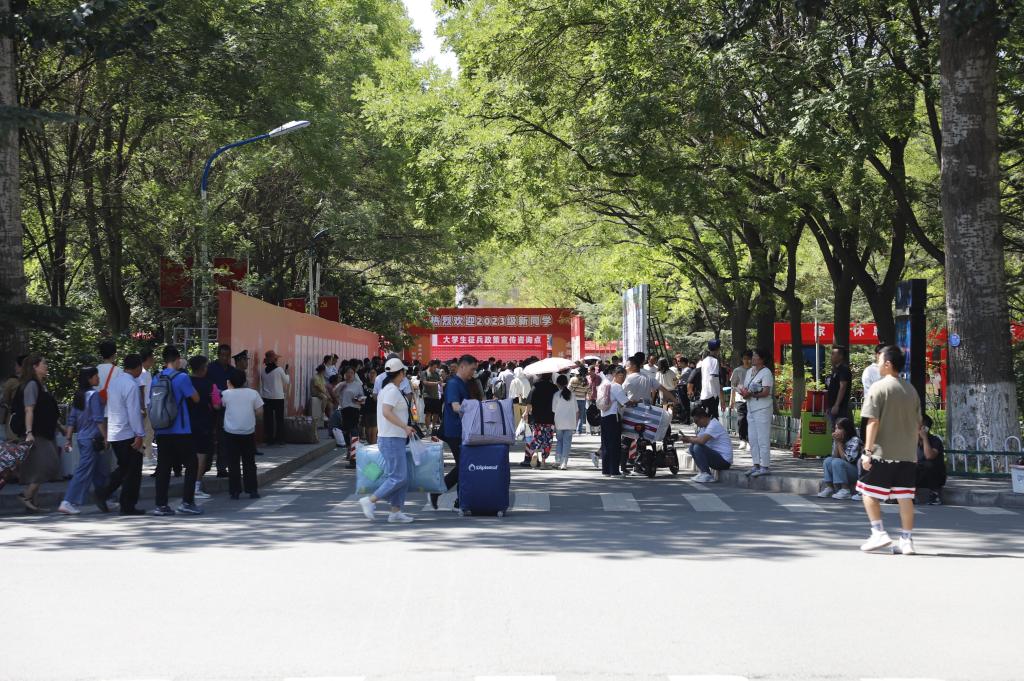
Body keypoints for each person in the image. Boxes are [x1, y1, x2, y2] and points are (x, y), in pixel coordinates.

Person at [856, 345, 922, 554]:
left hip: (882, 453)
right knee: (905, 496)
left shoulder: (878, 388)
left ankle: (878, 532)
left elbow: (872, 421)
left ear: (887, 364)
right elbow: (918, 424)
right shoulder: (911, 390)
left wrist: (867, 452)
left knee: (867, 491)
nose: (877, 364)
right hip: (907, 454)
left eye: (879, 360)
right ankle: (907, 540)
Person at [358, 358, 416, 523]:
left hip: (393, 438)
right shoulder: (392, 391)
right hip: (391, 439)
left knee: (401, 478)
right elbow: (386, 412)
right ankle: (370, 500)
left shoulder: (388, 389)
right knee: (398, 477)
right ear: (401, 373)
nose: (405, 375)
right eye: (404, 372)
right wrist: (405, 427)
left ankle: (396, 512)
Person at [151, 345, 202, 516]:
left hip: (161, 430)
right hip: (180, 429)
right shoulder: (182, 377)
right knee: (192, 464)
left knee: (163, 468)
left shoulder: (156, 378)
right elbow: (195, 398)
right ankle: (187, 502)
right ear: (177, 359)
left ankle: (161, 505)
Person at [96, 354, 146, 515]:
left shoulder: (115, 383)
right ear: (138, 367)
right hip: (127, 432)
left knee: (125, 467)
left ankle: (103, 493)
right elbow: (133, 412)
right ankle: (127, 505)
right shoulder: (131, 385)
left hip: (115, 431)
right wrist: (139, 434)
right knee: (133, 471)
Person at [12, 355, 62, 512]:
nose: (46, 366)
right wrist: (29, 432)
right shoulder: (31, 385)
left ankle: (33, 503)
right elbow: (29, 409)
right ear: (35, 366)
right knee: (49, 464)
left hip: (45, 431)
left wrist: (60, 427)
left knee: (36, 467)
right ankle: (26, 495)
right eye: (43, 363)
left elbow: (47, 409)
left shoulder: (41, 385)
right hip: (36, 432)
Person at [429, 354, 478, 509]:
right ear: (463, 366)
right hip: (454, 431)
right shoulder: (453, 384)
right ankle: (440, 492)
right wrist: (475, 409)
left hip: (462, 430)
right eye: (472, 369)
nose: (473, 372)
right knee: (464, 465)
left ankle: (458, 498)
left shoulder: (464, 383)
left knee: (464, 465)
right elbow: (456, 406)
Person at [58, 367, 107, 515]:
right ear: (89, 379)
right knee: (84, 471)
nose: (98, 378)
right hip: (93, 438)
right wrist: (106, 436)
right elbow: (98, 418)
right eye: (96, 376)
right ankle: (68, 501)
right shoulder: (94, 395)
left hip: (82, 438)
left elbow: (72, 419)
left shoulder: (79, 395)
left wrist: (68, 439)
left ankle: (106, 497)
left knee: (99, 470)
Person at [221, 368, 264, 499]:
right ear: (245, 381)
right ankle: (252, 490)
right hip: (248, 431)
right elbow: (260, 412)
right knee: (249, 462)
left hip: (230, 432)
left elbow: (220, 405)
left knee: (233, 462)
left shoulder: (226, 394)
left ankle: (235, 491)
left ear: (229, 381)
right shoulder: (253, 393)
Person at [187, 355, 219, 501]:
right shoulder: (211, 385)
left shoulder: (186, 381)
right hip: (204, 424)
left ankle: (189, 484)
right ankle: (196, 485)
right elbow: (217, 405)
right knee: (201, 456)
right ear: (203, 368)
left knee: (190, 455)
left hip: (186, 423)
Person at [739, 348, 774, 478]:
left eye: (755, 356)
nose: (752, 358)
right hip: (751, 408)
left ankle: (765, 466)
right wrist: (743, 392)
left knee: (762, 438)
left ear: (762, 359)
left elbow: (766, 392)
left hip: (762, 408)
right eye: (752, 356)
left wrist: (751, 394)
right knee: (753, 438)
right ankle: (756, 464)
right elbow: (746, 387)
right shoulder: (749, 371)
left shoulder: (766, 372)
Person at [680, 406, 733, 483]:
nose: (697, 425)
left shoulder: (713, 425)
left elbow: (702, 441)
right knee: (692, 447)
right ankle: (703, 472)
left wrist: (689, 439)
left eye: (697, 422)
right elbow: (697, 438)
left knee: (698, 447)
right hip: (717, 457)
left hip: (724, 461)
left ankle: (706, 474)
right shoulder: (705, 427)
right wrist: (686, 438)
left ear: (702, 418)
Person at [817, 417, 862, 499]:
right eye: (836, 428)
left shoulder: (855, 440)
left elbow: (848, 459)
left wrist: (839, 443)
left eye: (839, 428)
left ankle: (845, 490)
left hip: (855, 472)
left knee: (837, 462)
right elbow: (834, 456)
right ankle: (829, 488)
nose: (836, 431)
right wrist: (837, 442)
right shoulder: (838, 440)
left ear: (846, 430)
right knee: (828, 460)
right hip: (844, 468)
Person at [598, 367, 630, 476]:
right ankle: (614, 471)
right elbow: (625, 402)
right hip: (613, 417)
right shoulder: (616, 386)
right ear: (617, 375)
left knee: (606, 444)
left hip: (604, 416)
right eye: (623, 376)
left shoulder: (604, 385)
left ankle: (606, 470)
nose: (623, 379)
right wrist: (634, 401)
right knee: (615, 444)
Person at [207, 344, 233, 478]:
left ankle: (222, 468)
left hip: (226, 409)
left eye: (227, 356)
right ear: (218, 355)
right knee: (210, 437)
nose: (224, 358)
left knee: (224, 438)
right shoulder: (210, 368)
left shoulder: (232, 370)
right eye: (222, 355)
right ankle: (205, 465)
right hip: (211, 408)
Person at [524, 372, 558, 468]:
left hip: (537, 417)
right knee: (547, 440)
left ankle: (535, 452)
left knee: (536, 437)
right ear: (550, 376)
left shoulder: (536, 386)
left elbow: (529, 402)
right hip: (550, 417)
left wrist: (526, 413)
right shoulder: (554, 388)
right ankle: (543, 462)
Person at [334, 366, 366, 462]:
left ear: (354, 374)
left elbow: (363, 398)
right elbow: (335, 394)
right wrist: (340, 388)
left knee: (354, 429)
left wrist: (357, 400)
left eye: (351, 372)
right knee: (346, 431)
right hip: (344, 409)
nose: (349, 374)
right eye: (347, 372)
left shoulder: (358, 385)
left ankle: (354, 452)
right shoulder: (341, 384)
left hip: (354, 409)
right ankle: (349, 449)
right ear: (344, 374)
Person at [259, 350, 289, 446]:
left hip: (266, 397)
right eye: (276, 359)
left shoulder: (263, 371)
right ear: (275, 360)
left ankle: (269, 439)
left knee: (268, 419)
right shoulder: (279, 370)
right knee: (279, 419)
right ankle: (280, 439)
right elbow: (287, 381)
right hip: (278, 397)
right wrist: (287, 373)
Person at [916, 414, 946, 506]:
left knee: (929, 464)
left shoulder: (935, 440)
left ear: (925, 428)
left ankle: (935, 494)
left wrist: (924, 438)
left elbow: (929, 456)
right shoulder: (913, 441)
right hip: (919, 477)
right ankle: (906, 494)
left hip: (934, 477)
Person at [553, 374, 578, 470]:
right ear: (567, 383)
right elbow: (577, 410)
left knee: (559, 441)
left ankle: (557, 460)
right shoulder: (572, 395)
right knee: (567, 443)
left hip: (559, 421)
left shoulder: (556, 395)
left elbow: (554, 410)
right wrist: (576, 423)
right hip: (570, 422)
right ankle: (564, 463)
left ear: (557, 384)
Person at [859, 344, 885, 437]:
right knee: (868, 437)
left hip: (886, 410)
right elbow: (870, 391)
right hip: (872, 408)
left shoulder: (891, 370)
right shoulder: (869, 371)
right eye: (882, 353)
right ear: (876, 355)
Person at [729, 350, 752, 450]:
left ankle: (750, 440)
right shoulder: (737, 370)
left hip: (752, 398)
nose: (747, 361)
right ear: (742, 359)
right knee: (741, 419)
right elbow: (733, 386)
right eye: (745, 359)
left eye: (749, 359)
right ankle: (742, 439)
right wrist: (732, 400)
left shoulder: (754, 370)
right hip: (740, 398)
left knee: (750, 420)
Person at [826, 346, 853, 429]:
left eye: (833, 354)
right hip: (832, 405)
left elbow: (843, 387)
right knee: (832, 430)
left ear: (840, 356)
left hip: (839, 407)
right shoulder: (835, 369)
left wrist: (836, 405)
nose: (831, 356)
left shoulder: (843, 369)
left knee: (837, 430)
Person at [137, 348, 156, 464]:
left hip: (144, 406)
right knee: (148, 431)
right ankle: (147, 456)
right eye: (152, 357)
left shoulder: (142, 372)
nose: (153, 360)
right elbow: (141, 390)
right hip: (145, 406)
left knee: (146, 431)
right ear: (148, 358)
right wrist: (143, 408)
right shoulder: (144, 373)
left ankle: (146, 454)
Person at [697, 340, 726, 417]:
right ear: (718, 349)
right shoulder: (714, 361)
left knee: (706, 419)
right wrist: (716, 395)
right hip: (712, 396)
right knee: (713, 420)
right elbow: (713, 378)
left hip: (704, 394)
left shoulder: (704, 361)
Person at [1, 354, 25, 441]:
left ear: (22, 367)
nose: (15, 368)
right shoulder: (36, 383)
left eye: (16, 365)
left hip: (14, 421)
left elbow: (4, 399)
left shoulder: (12, 381)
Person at [420, 360, 444, 433]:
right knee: (428, 413)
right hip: (427, 395)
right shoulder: (424, 373)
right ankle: (428, 429)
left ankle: (433, 427)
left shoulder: (436, 373)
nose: (435, 369)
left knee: (436, 413)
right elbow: (425, 382)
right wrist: (436, 383)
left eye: (436, 367)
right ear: (430, 366)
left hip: (436, 395)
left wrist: (442, 382)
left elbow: (440, 383)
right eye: (434, 367)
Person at [510, 366, 531, 433]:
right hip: (525, 400)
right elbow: (528, 392)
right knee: (525, 416)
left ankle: (518, 431)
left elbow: (511, 393)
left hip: (515, 401)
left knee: (517, 417)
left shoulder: (514, 381)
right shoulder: (526, 380)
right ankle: (526, 431)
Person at [310, 364, 332, 428]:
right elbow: (319, 388)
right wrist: (327, 394)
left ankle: (330, 421)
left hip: (321, 392)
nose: (325, 372)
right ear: (322, 370)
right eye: (324, 371)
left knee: (330, 403)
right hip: (315, 392)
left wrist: (329, 395)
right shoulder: (315, 377)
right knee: (325, 397)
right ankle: (323, 414)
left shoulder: (322, 377)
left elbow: (324, 387)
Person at [569, 368, 589, 435]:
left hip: (574, 399)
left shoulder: (573, 379)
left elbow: (569, 389)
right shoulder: (586, 381)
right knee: (581, 415)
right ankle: (579, 430)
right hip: (582, 399)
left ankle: (573, 429)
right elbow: (588, 390)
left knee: (573, 415)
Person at [361, 368, 378, 444]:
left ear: (376, 374)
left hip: (376, 410)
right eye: (370, 373)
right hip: (366, 410)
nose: (372, 374)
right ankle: (370, 445)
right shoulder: (364, 385)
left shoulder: (379, 385)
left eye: (374, 373)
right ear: (367, 374)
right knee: (368, 432)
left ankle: (373, 445)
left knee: (374, 432)